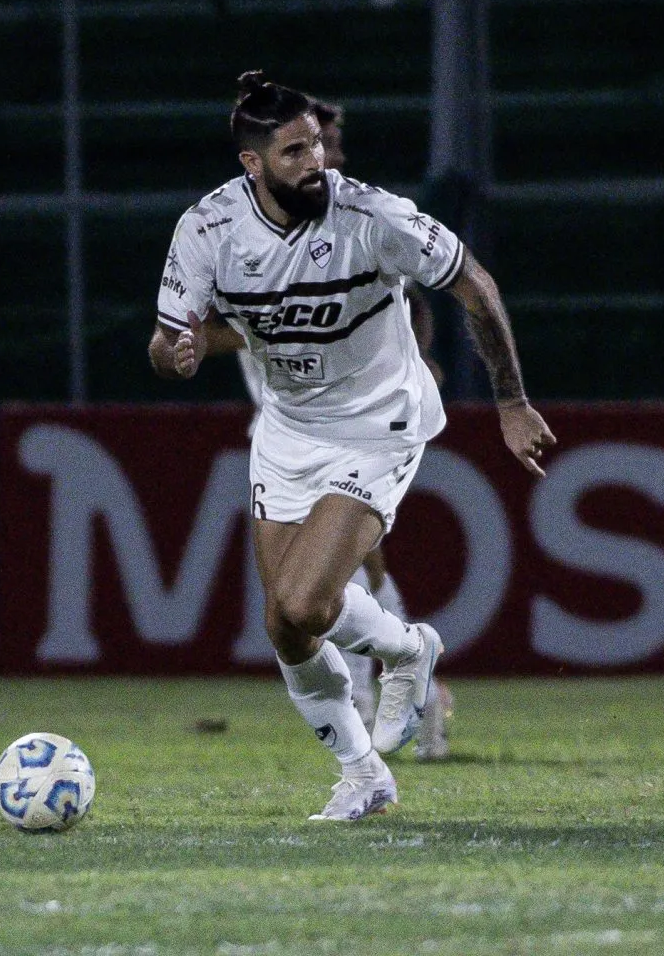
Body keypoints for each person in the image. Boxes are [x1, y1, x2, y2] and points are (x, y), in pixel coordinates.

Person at [149, 71, 555, 821]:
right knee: (284, 622)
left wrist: (510, 400)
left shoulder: (373, 215)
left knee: (307, 598)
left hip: (378, 421)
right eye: (295, 151)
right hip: (287, 427)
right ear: (253, 164)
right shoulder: (206, 230)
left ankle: (404, 649)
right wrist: (174, 350)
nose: (316, 163)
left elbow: (474, 286)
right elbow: (171, 336)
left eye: (317, 146)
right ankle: (363, 773)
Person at [203, 97, 452, 759]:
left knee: (336, 578)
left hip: (349, 423)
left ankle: (392, 692)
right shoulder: (244, 228)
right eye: (318, 144)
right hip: (286, 425)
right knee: (304, 596)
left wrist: (418, 356)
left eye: (331, 145)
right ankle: (406, 690)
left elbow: (412, 294)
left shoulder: (351, 218)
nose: (327, 157)